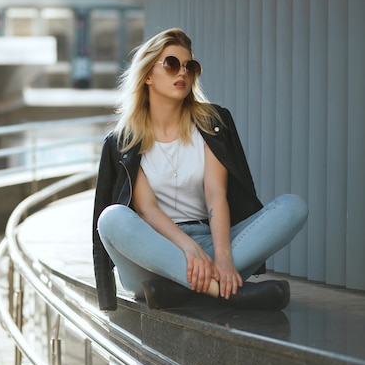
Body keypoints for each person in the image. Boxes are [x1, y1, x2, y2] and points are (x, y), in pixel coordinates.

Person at [92, 28, 308, 312]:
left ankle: (179, 289)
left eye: (189, 67)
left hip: (211, 245)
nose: (182, 73)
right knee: (111, 218)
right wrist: (189, 249)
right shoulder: (125, 140)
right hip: (152, 256)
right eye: (171, 64)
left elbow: (216, 194)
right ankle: (223, 291)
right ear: (147, 75)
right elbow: (147, 210)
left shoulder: (212, 123)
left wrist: (223, 256)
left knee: (293, 207)